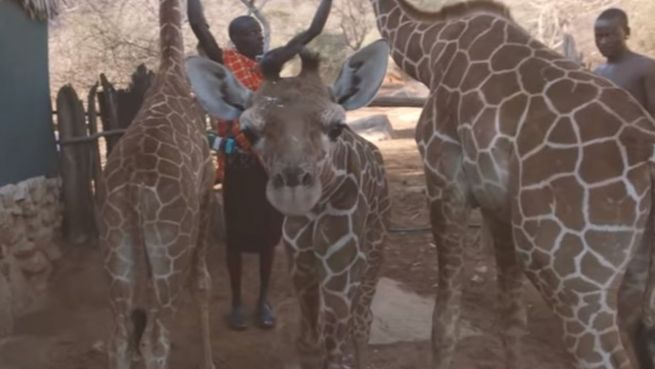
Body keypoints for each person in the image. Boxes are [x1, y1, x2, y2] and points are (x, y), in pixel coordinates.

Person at [189, 0, 284, 330]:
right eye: (251, 34)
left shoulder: (266, 71)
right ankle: (237, 303)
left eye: (259, 33)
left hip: (268, 166)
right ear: (236, 39)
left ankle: (263, 301)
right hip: (240, 166)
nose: (259, 39)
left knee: (269, 238)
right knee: (236, 239)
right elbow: (199, 26)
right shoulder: (225, 64)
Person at [593, 7, 655, 116]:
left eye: (609, 35)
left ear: (626, 32)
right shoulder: (596, 74)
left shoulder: (646, 67)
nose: (603, 42)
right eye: (599, 36)